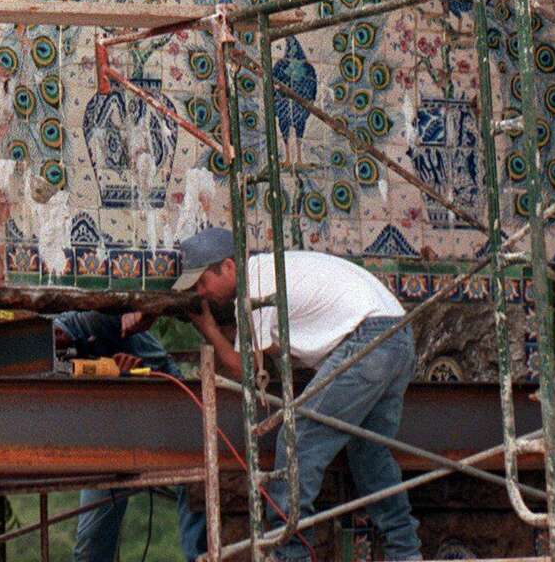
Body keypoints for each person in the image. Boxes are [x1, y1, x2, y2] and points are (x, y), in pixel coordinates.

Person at [172, 226, 422, 561]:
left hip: (367, 338)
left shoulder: (255, 288)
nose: (201, 293)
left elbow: (246, 370)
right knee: (369, 453)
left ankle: (292, 554)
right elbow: (272, 348)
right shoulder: (271, 270)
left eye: (202, 282)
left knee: (297, 442)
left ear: (229, 267)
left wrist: (209, 330)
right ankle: (405, 552)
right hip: (397, 335)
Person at [53, 310, 209, 562]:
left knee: (196, 479)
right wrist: (114, 377)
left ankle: (199, 556)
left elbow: (156, 357)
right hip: (112, 427)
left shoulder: (93, 321)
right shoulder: (53, 359)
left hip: (164, 398)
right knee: (92, 541)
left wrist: (134, 371)